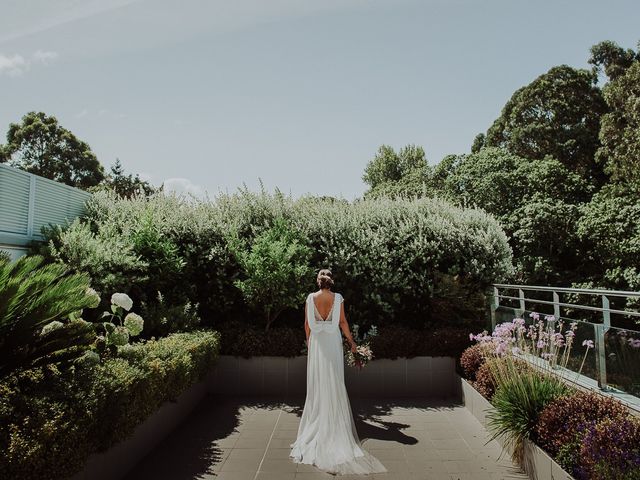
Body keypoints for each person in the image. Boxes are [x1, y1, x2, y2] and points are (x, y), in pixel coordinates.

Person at [289, 269, 387, 475]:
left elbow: (307, 324)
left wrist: (309, 343)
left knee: (318, 381)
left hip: (317, 344)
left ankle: (319, 420)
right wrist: (352, 343)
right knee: (334, 380)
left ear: (318, 281)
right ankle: (332, 423)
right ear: (331, 282)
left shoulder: (310, 298)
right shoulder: (338, 298)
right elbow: (342, 322)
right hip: (332, 343)